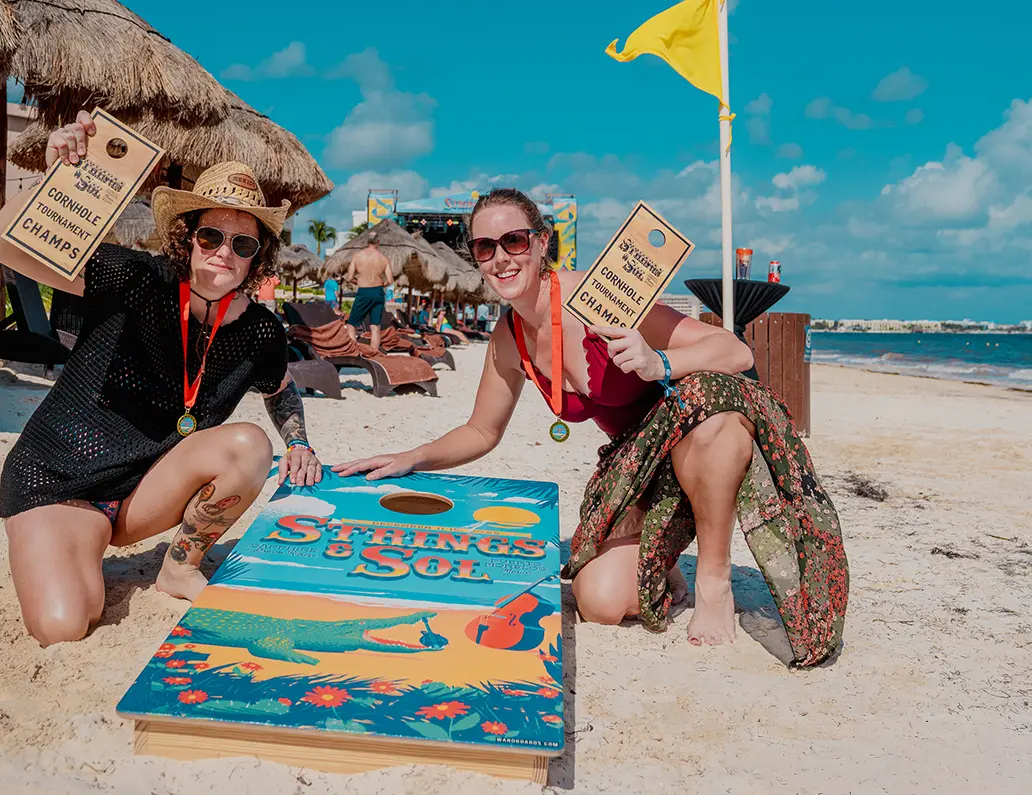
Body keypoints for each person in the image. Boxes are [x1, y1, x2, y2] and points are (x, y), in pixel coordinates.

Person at [335, 188, 848, 667]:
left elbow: (736, 352)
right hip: (636, 467)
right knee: (601, 602)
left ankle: (713, 575)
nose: (501, 257)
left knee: (712, 409)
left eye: (513, 240)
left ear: (540, 245)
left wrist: (659, 363)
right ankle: (661, 551)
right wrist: (412, 457)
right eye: (486, 246)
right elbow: (482, 431)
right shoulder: (509, 338)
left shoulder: (599, 295)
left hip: (701, 442)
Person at [0, 110, 323, 647]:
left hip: (143, 493)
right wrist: (54, 180)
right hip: (59, 483)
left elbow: (280, 388)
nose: (224, 252)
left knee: (249, 445)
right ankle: (65, 547)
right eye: (211, 235)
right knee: (65, 624)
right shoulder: (132, 278)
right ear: (187, 238)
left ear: (258, 257)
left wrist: (299, 442)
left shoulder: (260, 332)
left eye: (243, 243)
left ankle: (178, 566)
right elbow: (3, 246)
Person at [345, 230, 393, 350]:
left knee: (352, 325)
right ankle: (374, 353)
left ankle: (354, 351)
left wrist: (359, 281)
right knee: (375, 326)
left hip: (364, 291)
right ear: (378, 242)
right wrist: (382, 284)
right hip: (378, 291)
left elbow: (349, 278)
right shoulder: (383, 258)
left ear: (367, 242)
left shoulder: (358, 256)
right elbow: (390, 280)